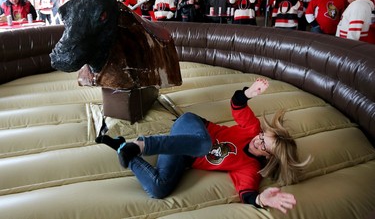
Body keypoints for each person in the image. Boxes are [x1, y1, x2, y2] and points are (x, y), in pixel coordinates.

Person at [96, 78, 311, 213]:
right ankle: (142, 145)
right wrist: (248, 93)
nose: (258, 139)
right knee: (203, 144)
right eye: (263, 135)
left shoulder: (250, 168)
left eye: (264, 145)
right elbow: (237, 104)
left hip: (182, 153)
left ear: (268, 157)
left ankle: (123, 148)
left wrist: (261, 200)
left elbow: (248, 194)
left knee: (158, 189)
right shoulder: (252, 129)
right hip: (192, 127)